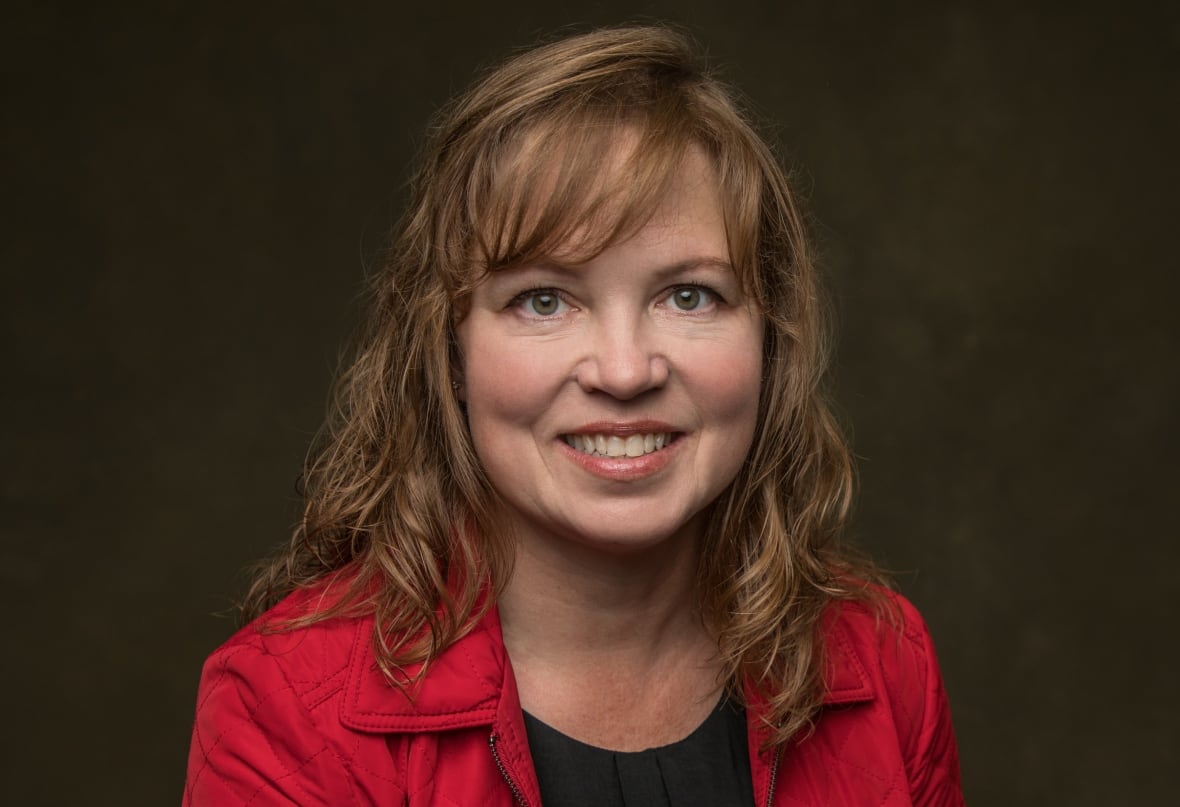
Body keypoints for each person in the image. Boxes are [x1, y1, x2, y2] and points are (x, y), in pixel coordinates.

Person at [183, 24, 963, 806]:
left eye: (689, 295)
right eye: (543, 300)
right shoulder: (285, 709)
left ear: (770, 340)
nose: (624, 372)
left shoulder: (885, 661)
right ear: (449, 351)